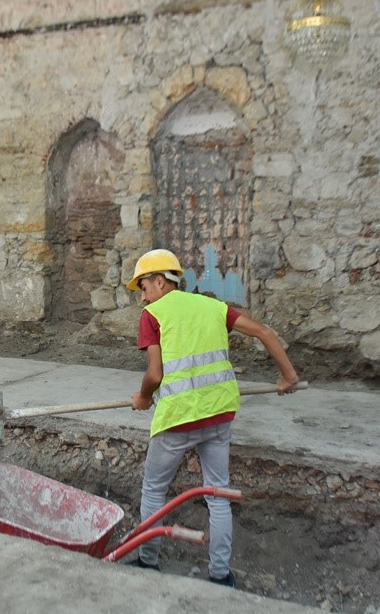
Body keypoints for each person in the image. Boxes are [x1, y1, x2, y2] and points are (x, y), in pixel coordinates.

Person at [125, 248, 300, 588]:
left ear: (160, 281)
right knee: (218, 495)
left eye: (143, 286)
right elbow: (264, 331)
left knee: (154, 489)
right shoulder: (213, 306)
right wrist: (289, 377)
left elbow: (155, 374)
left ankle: (148, 562)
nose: (142, 296)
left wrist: (144, 398)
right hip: (219, 414)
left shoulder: (153, 315)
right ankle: (220, 575)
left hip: (178, 418)